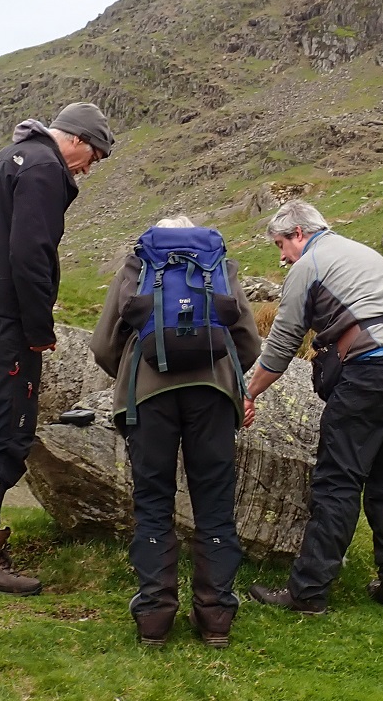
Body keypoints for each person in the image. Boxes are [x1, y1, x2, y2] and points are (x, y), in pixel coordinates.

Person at [0, 102, 114, 595]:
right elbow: (31, 252)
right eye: (92, 157)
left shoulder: (7, 157)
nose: (87, 168)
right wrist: (39, 328)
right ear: (76, 139)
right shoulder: (44, 168)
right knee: (7, 431)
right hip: (3, 319)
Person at [243, 202, 383, 614]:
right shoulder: (363, 253)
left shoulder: (308, 266)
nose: (280, 256)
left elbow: (281, 342)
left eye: (280, 244)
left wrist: (249, 392)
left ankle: (308, 592)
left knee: (338, 481)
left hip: (372, 371)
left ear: (298, 232)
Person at [90, 216, 261, 648]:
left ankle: (153, 616)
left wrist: (132, 371)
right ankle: (216, 615)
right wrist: (226, 375)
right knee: (215, 504)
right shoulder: (220, 265)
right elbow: (248, 341)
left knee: (152, 502)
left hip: (147, 398)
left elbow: (103, 345)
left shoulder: (137, 266)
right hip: (213, 396)